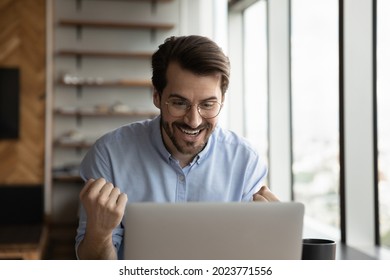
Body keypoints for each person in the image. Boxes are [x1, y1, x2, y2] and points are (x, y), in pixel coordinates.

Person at [75, 35, 279, 260]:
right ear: (157, 96)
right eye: (180, 103)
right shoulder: (109, 155)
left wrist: (273, 237)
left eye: (208, 104)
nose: (194, 121)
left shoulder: (246, 162)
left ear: (222, 100)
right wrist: (101, 234)